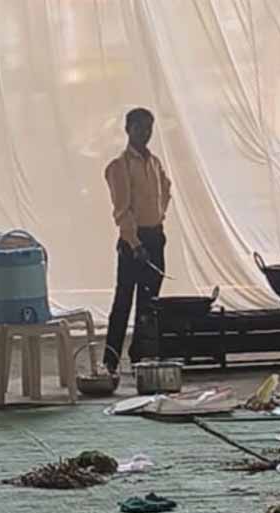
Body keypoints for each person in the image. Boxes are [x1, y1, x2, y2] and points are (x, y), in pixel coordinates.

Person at [102, 108, 172, 374]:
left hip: (155, 236)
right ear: (128, 129)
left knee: (149, 303)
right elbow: (122, 210)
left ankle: (140, 355)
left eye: (148, 128)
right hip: (134, 242)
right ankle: (110, 359)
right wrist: (135, 243)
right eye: (139, 127)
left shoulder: (154, 163)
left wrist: (158, 219)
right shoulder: (119, 166)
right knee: (124, 300)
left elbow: (166, 189)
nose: (145, 133)